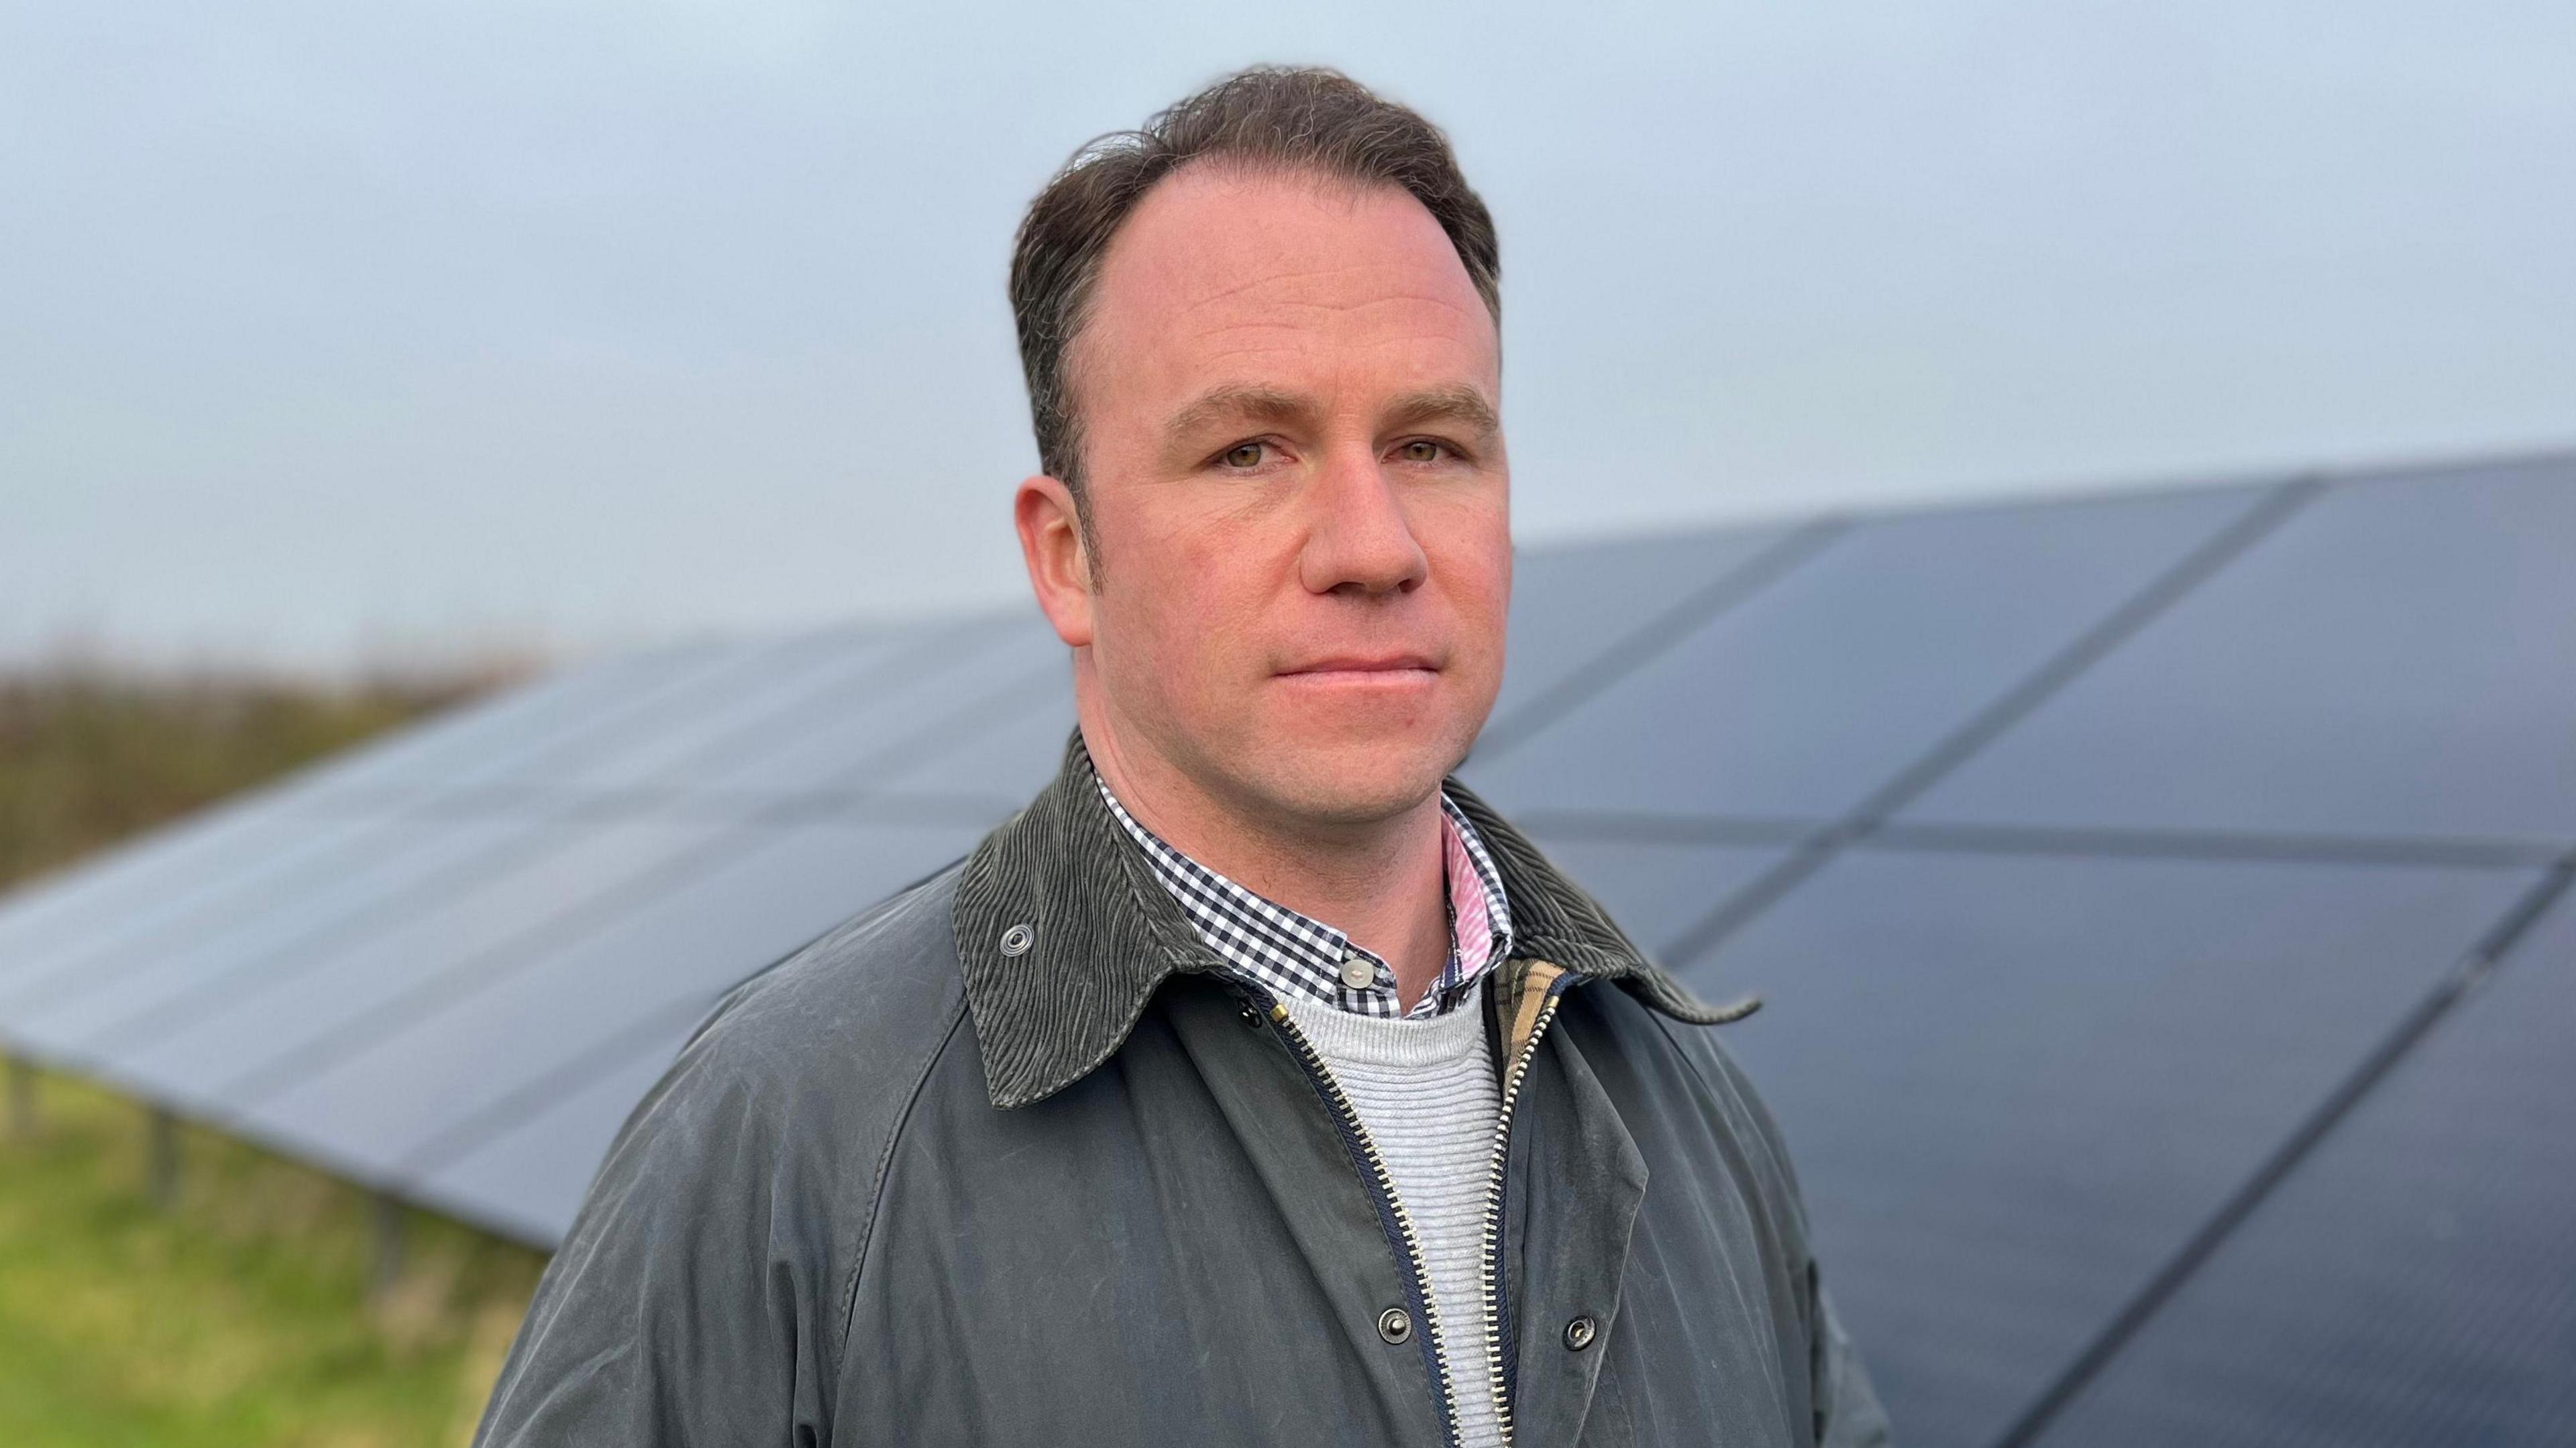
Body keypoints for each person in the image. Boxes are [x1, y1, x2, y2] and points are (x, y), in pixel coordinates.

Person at [473, 64, 1890, 1448]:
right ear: (1069, 556)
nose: (1373, 547)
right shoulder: (786, 1153)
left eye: (1434, 446)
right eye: (1249, 453)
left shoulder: (1694, 1117)